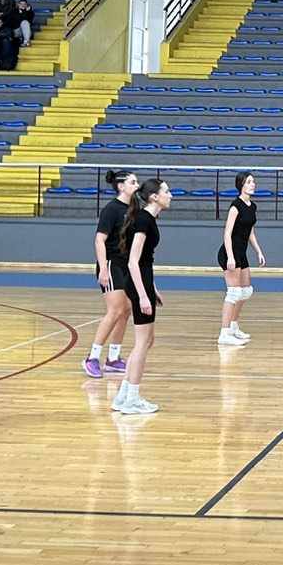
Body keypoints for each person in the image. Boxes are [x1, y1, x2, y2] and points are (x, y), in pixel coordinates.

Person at [113, 177, 171, 415]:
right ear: (154, 197)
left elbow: (146, 260)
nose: (170, 195)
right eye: (166, 191)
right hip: (138, 285)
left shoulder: (148, 219)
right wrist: (143, 295)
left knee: (147, 341)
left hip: (144, 283)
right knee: (142, 343)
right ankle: (132, 399)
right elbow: (133, 261)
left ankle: (123, 395)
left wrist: (152, 288)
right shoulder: (144, 220)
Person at [83, 169, 138, 379]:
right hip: (111, 263)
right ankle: (92, 358)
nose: (137, 185)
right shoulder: (111, 209)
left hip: (126, 265)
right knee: (115, 310)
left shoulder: (134, 209)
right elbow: (99, 240)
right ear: (121, 186)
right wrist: (103, 268)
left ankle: (113, 359)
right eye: (133, 182)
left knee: (126, 310)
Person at [218, 170, 266, 348]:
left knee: (246, 291)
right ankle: (224, 334)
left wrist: (258, 251)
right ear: (241, 185)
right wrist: (230, 256)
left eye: (253, 181)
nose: (253, 184)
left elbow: (250, 232)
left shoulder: (252, 207)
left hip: (241, 253)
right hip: (230, 253)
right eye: (249, 182)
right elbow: (227, 233)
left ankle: (233, 327)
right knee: (233, 293)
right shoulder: (235, 206)